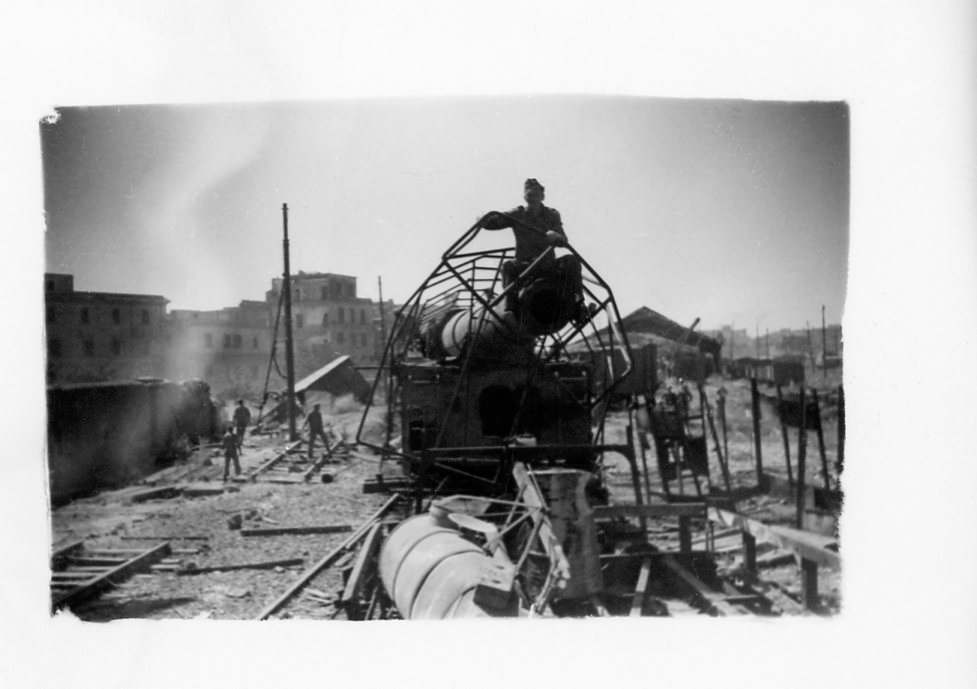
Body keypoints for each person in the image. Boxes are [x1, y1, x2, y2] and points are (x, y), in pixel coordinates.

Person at [478, 178, 587, 321]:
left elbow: (563, 240)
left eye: (536, 194)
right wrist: (483, 220)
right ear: (525, 197)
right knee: (508, 266)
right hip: (525, 267)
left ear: (542, 196)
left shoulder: (552, 215)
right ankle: (510, 310)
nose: (533, 197)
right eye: (529, 194)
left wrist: (556, 235)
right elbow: (493, 223)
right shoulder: (517, 214)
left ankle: (579, 305)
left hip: (548, 265)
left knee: (571, 261)